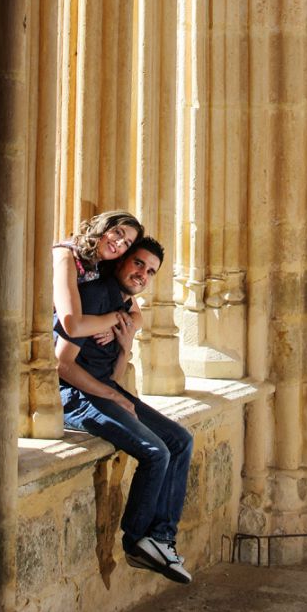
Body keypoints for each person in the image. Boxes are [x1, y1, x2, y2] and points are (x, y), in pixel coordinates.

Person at [53, 234, 193, 585]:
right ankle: (136, 541)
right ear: (120, 260)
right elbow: (62, 365)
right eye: (138, 263)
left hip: (102, 390)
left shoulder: (124, 305)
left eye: (150, 271)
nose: (143, 274)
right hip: (73, 395)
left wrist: (126, 345)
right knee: (155, 452)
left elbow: (113, 373)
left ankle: (161, 538)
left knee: (180, 440)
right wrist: (114, 397)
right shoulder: (95, 295)